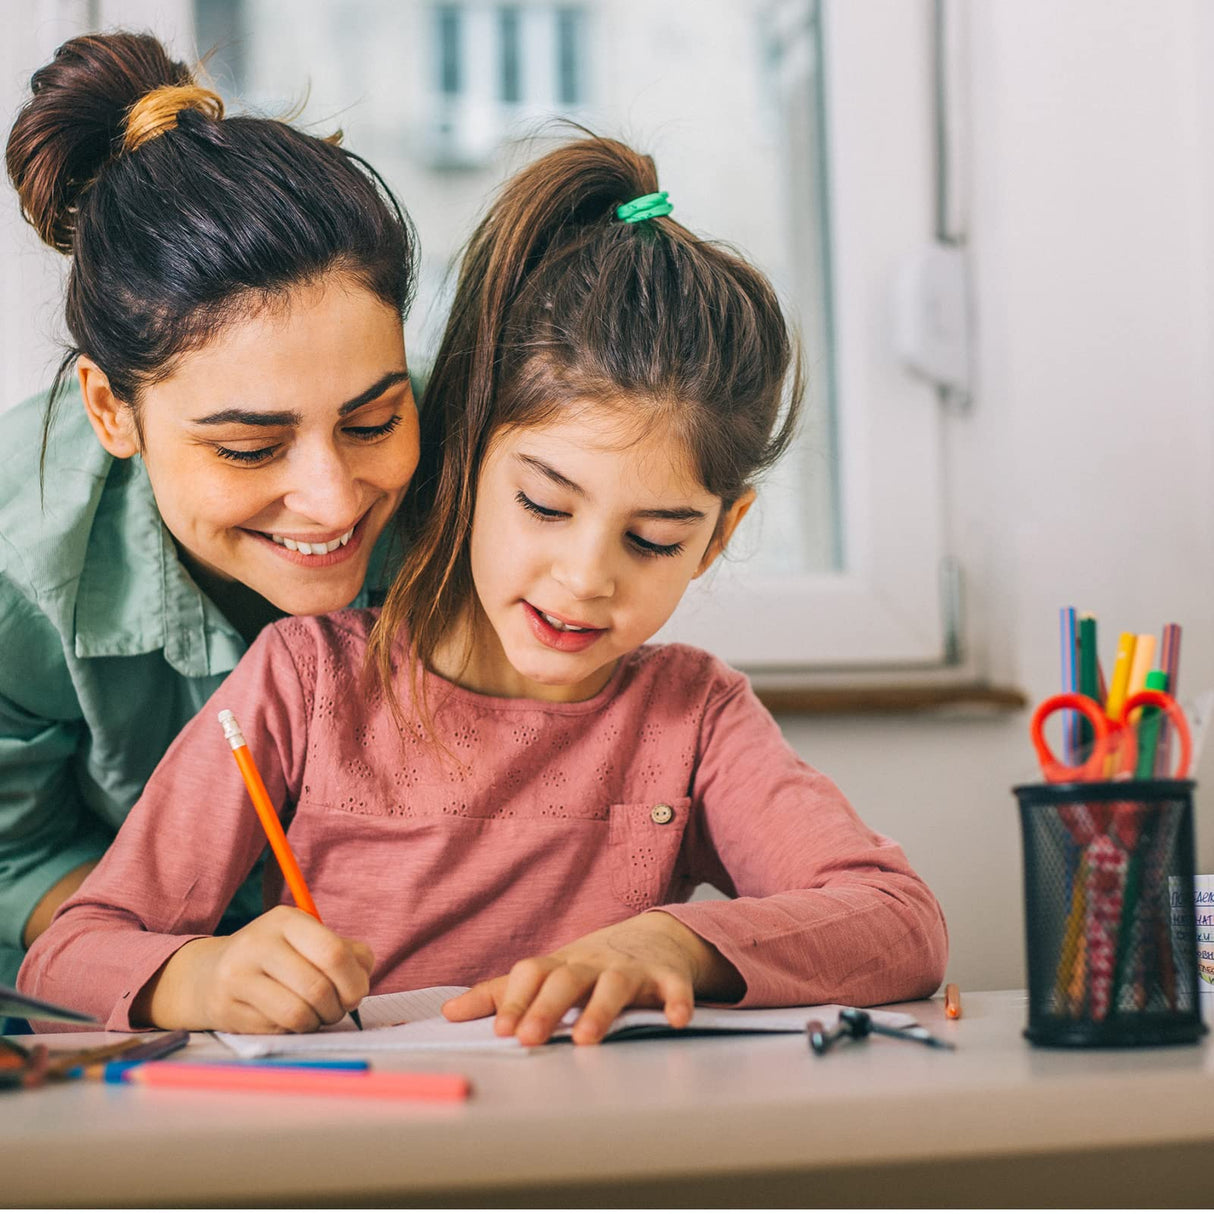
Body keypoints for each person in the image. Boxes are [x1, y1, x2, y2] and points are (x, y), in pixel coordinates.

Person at [20, 136, 948, 1043]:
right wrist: (201, 975)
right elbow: (71, 949)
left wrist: (674, 942)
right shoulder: (305, 682)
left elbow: (901, 923)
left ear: (718, 538)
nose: (586, 579)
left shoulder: (694, 718)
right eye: (545, 506)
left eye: (655, 539)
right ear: (463, 464)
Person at [0, 31, 421, 988]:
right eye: (248, 447)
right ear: (114, 411)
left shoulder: (488, 477)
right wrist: (192, 968)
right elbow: (12, 863)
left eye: (374, 419)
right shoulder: (14, 565)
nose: (331, 499)